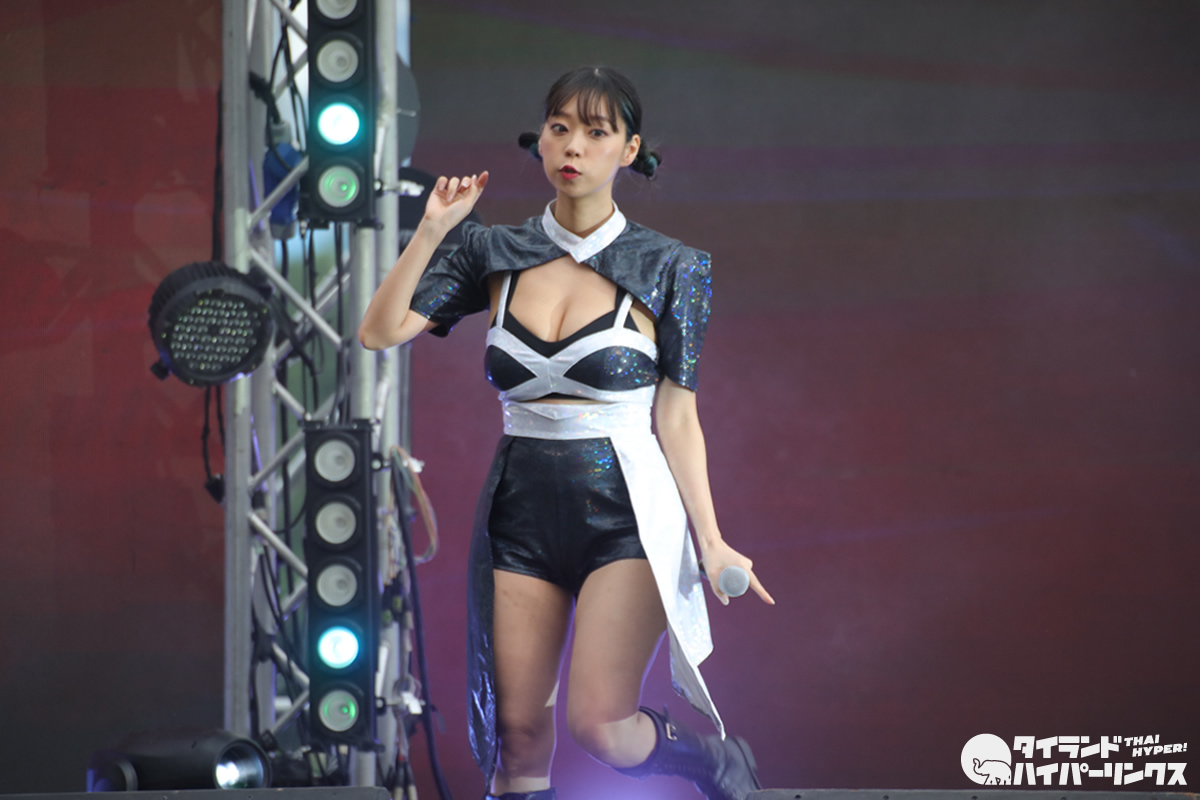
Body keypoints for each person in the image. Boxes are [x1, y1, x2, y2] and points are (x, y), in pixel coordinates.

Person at [359, 66, 774, 800]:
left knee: (599, 726)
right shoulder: (491, 251)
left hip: (627, 515)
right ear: (541, 141)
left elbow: (678, 414)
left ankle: (710, 761)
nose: (573, 146)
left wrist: (710, 541)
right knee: (516, 738)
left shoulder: (671, 266)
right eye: (560, 128)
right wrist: (432, 230)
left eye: (595, 131)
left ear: (629, 149)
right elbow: (378, 331)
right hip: (519, 508)